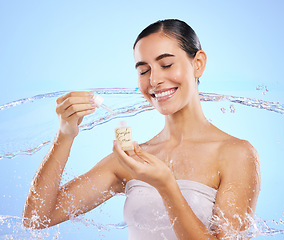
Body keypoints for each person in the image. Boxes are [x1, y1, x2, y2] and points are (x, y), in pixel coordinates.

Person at [23, 19, 260, 239]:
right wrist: (65, 135)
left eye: (166, 64)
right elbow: (37, 218)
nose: (154, 80)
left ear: (198, 64)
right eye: (143, 71)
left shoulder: (235, 154)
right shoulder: (131, 159)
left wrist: (167, 186)